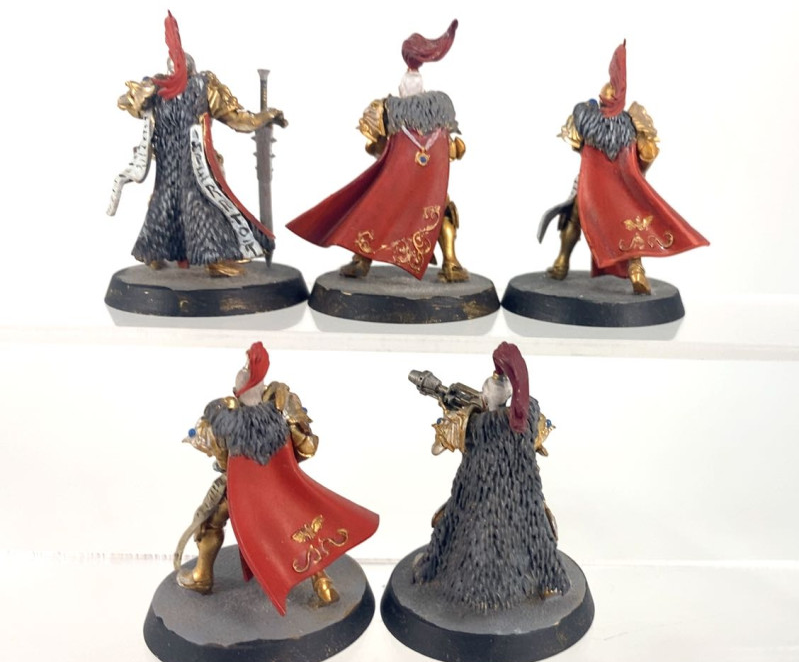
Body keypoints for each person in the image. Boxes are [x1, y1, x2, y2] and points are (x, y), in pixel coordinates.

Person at [175, 342, 379, 615]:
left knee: (209, 522)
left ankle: (202, 576)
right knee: (301, 529)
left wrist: (198, 441)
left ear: (240, 389)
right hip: (280, 488)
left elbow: (221, 459)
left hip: (240, 493)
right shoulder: (282, 406)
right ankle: (323, 584)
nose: (244, 369)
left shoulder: (222, 416)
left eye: (247, 367)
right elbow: (308, 447)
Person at [287, 20, 469, 282]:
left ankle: (364, 261)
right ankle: (450, 263)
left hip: (400, 184)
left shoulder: (384, 111)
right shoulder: (441, 116)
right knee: (440, 211)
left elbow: (375, 147)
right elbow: (453, 151)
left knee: (374, 209)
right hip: (424, 184)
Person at [109, 12, 287, 276]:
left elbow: (237, 119)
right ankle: (158, 253)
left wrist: (265, 117)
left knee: (199, 204)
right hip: (168, 162)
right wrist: (140, 95)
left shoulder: (204, 87)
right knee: (165, 204)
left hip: (195, 164)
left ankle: (213, 260)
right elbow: (128, 104)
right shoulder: (156, 89)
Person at [412, 343, 569, 613]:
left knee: (453, 522)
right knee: (540, 531)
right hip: (524, 497)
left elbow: (439, 446)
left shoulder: (475, 427)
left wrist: (458, 417)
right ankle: (548, 579)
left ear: (485, 399)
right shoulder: (527, 422)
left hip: (477, 497)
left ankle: (448, 573)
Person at [542, 41, 708, 294]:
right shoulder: (632, 122)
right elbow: (648, 156)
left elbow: (576, 145)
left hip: (590, 189)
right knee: (630, 227)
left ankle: (561, 262)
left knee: (575, 217)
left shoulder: (585, 118)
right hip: (621, 192)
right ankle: (635, 271)